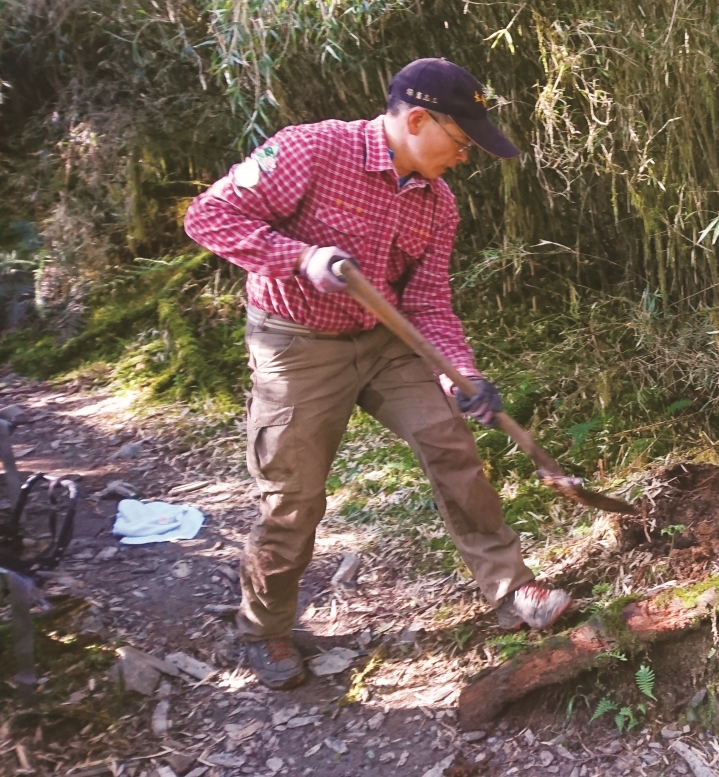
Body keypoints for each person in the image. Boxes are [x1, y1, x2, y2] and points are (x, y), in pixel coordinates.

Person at [184, 58, 570, 690]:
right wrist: (300, 258)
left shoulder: (437, 203)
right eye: (461, 141)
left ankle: (511, 590)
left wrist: (459, 376)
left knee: (451, 445)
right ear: (417, 120)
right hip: (297, 343)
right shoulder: (310, 150)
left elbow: (428, 304)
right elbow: (208, 217)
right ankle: (266, 628)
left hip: (386, 343)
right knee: (294, 495)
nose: (465, 157)